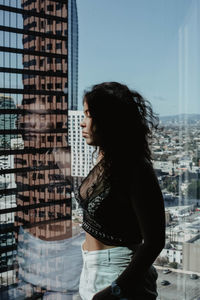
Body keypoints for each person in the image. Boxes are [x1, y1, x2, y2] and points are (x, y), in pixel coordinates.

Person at [76, 82, 166, 300]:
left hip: (118, 273)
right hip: (91, 267)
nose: (81, 123)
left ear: (108, 120)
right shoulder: (104, 158)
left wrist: (117, 289)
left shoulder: (135, 168)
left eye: (89, 115)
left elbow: (154, 241)